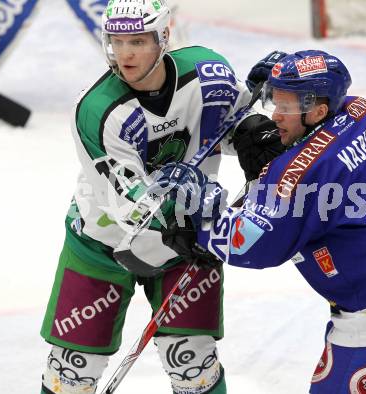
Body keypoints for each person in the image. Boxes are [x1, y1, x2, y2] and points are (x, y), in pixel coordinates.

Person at [39, 1, 286, 393]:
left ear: (164, 38)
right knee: (71, 374)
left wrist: (254, 132)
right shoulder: (98, 111)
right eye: (116, 42)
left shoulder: (209, 75)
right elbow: (132, 205)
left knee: (194, 365)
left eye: (137, 40)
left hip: (188, 240)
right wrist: (201, 219)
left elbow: (231, 121)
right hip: (103, 243)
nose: (125, 54)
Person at [160, 50, 366, 393]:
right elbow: (321, 159)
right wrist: (289, 73)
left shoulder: (295, 175)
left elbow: (253, 246)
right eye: (276, 102)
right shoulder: (362, 110)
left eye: (286, 107)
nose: (276, 115)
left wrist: (202, 218)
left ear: (318, 110)